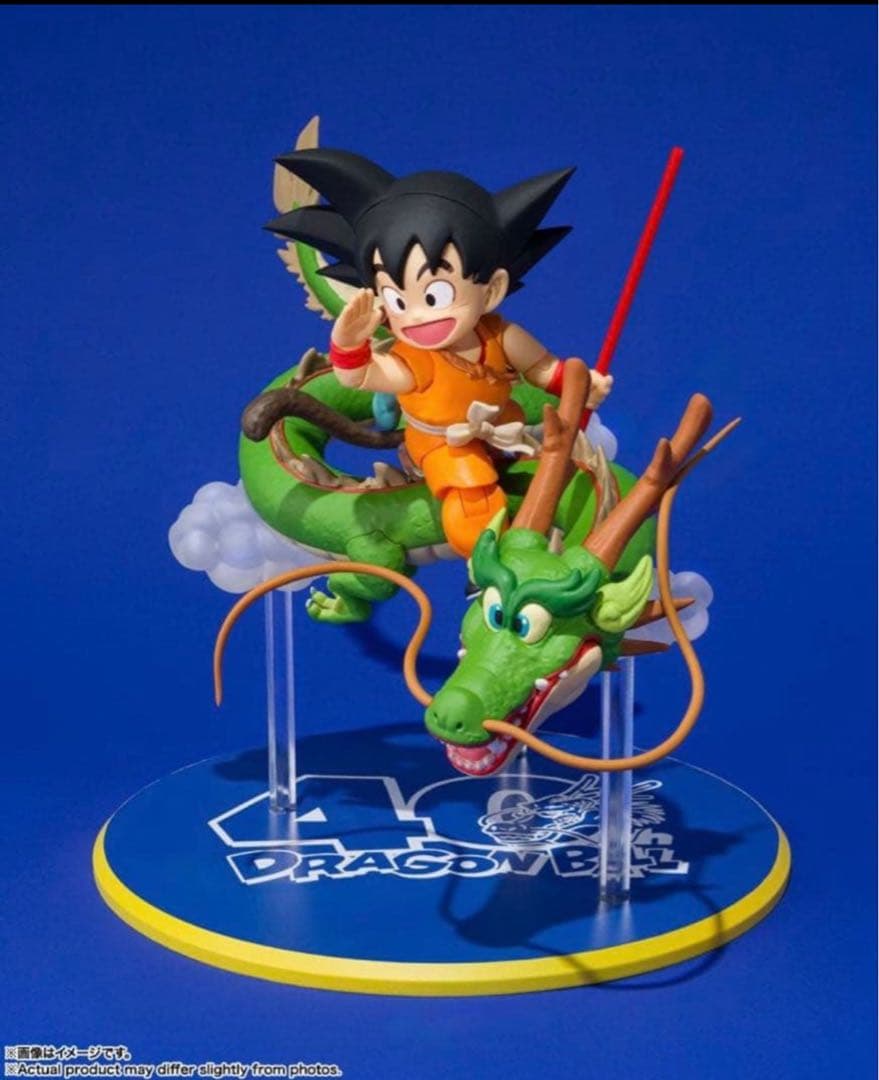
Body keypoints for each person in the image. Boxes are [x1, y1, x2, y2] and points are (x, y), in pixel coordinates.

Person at [267, 148, 612, 557]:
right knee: (473, 505)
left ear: (492, 289)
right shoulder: (416, 359)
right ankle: (496, 565)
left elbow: (543, 368)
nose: (416, 315)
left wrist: (579, 384)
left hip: (503, 430)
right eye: (398, 299)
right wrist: (348, 344)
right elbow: (358, 377)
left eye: (435, 295)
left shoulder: (502, 336)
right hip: (445, 446)